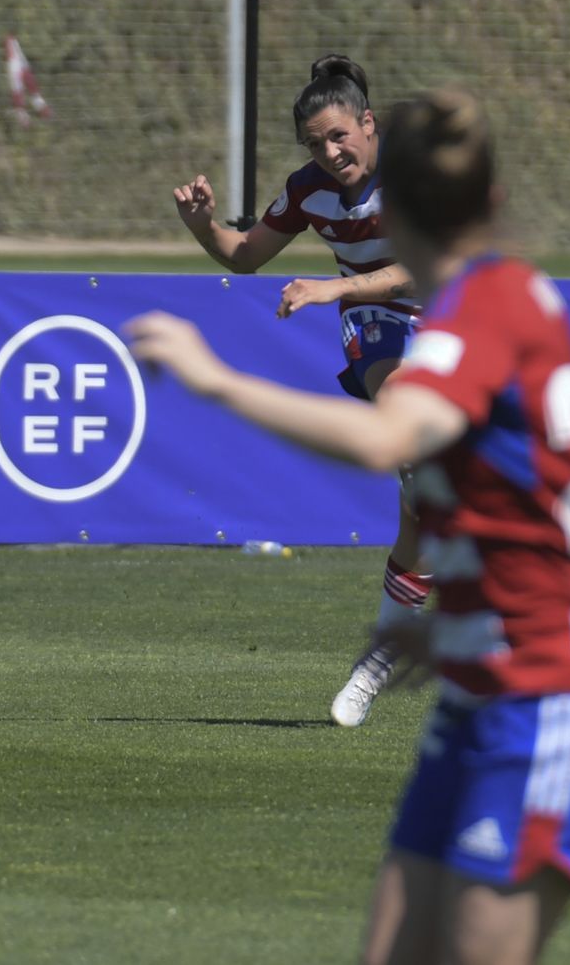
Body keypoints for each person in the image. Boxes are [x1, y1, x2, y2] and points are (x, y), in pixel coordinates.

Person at [131, 88, 570, 963]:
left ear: (398, 208)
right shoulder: (498, 297)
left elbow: (388, 437)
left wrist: (215, 380)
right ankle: (404, 616)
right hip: (482, 679)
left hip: (556, 686)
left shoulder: (485, 308)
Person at [172, 55, 430, 727]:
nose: (330, 151)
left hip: (457, 320)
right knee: (420, 457)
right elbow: (247, 256)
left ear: (369, 123)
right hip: (379, 325)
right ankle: (380, 663)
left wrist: (336, 285)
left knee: (437, 507)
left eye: (340, 135)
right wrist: (203, 225)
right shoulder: (308, 191)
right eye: (316, 143)